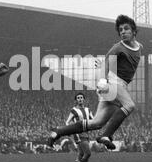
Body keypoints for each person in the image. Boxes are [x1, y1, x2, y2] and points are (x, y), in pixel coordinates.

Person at [48, 15, 142, 150]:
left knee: (97, 123)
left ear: (134, 31)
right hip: (111, 82)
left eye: (126, 28)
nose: (122, 32)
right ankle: (106, 136)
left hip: (118, 86)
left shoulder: (139, 47)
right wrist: (103, 81)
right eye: (120, 30)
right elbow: (105, 64)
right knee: (130, 105)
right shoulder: (118, 48)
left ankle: (58, 131)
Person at [65, 92, 94, 162]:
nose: (80, 99)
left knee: (81, 154)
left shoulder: (88, 110)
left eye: (81, 97)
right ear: (76, 100)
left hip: (86, 134)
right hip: (78, 134)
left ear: (84, 99)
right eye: (78, 98)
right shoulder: (73, 110)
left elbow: (93, 120)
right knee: (88, 153)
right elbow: (67, 122)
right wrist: (71, 130)